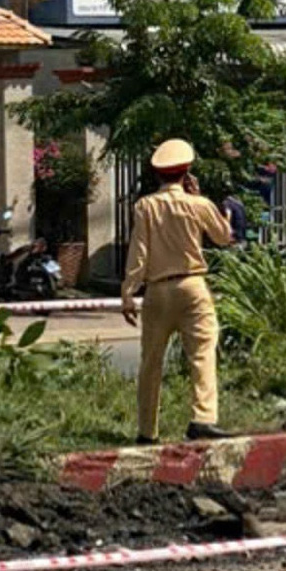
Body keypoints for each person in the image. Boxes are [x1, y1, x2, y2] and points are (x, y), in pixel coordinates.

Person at [121, 139, 234, 444]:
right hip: (192, 286)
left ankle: (147, 430)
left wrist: (129, 291)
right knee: (202, 353)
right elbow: (224, 238)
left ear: (157, 174)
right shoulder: (198, 204)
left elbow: (139, 252)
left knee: (151, 361)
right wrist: (215, 211)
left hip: (157, 290)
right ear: (186, 173)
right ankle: (203, 417)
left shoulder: (145, 206)